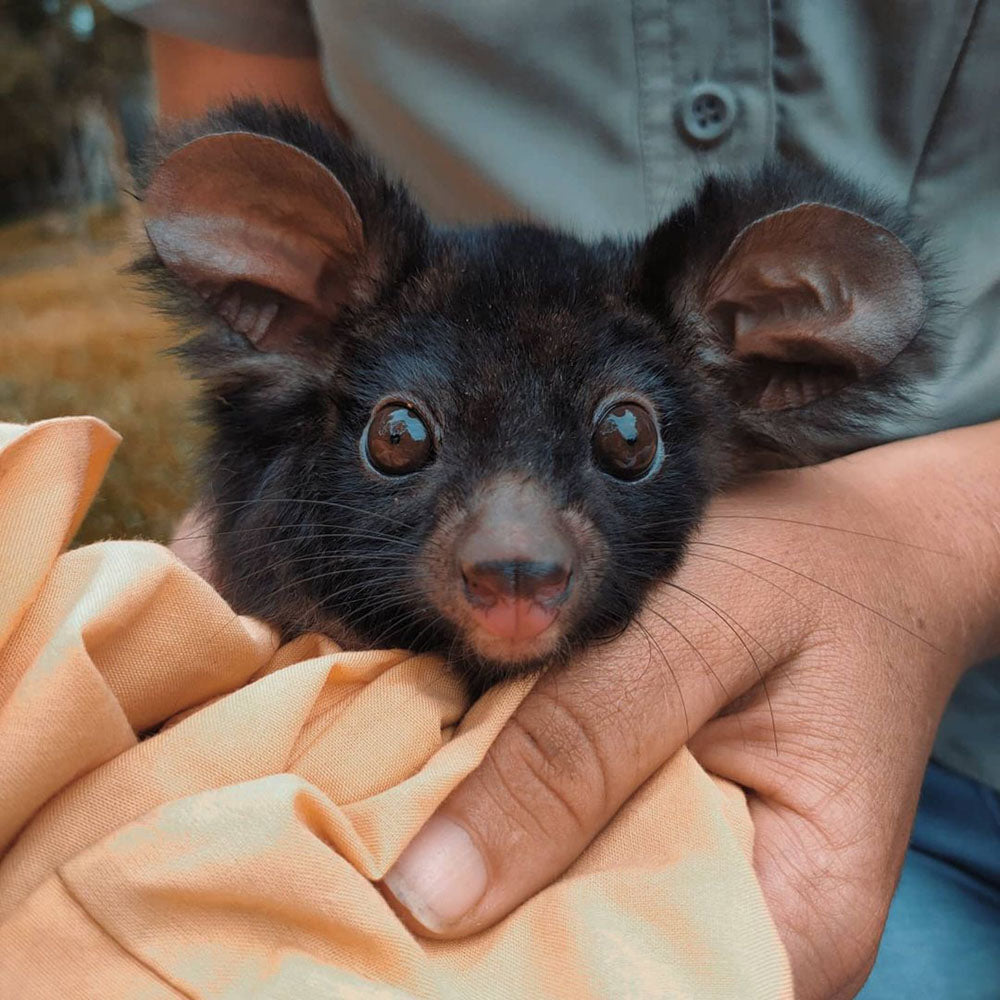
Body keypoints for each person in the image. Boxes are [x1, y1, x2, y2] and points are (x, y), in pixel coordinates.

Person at [104, 3, 1000, 997]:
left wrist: (927, 543)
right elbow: (240, 215)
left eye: (622, 443)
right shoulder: (313, 326)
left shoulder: (722, 359)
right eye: (404, 442)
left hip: (950, 743)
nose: (515, 548)